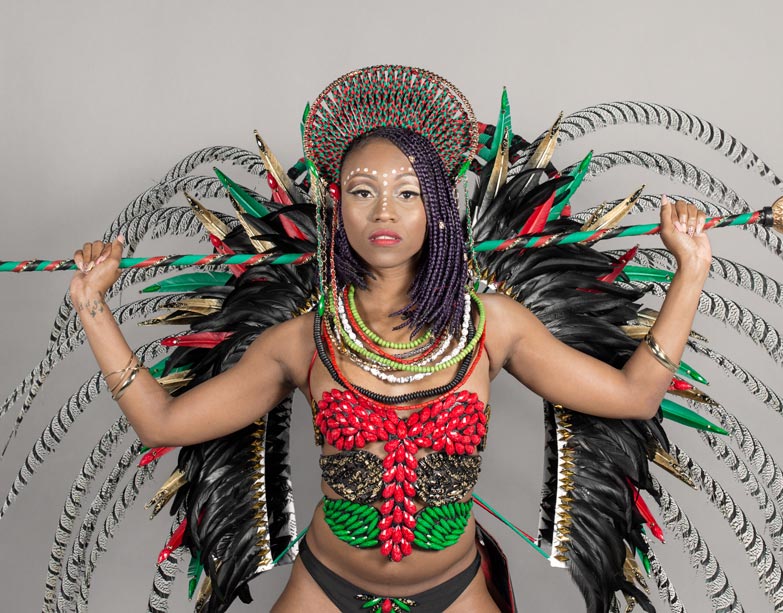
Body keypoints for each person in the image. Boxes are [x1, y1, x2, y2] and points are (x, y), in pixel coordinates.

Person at [66, 66, 712, 613]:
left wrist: (690, 272)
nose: (384, 211)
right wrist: (93, 308)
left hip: (452, 588)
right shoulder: (303, 338)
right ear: (337, 206)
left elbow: (634, 395)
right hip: (326, 583)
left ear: (436, 208)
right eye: (363, 192)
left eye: (407, 192)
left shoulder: (493, 325)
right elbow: (162, 420)